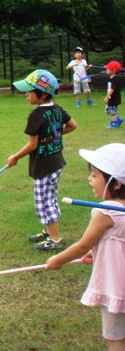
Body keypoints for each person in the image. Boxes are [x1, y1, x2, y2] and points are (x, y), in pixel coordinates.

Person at [45, 143, 125, 351]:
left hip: (116, 286)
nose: (90, 179)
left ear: (115, 184)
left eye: (95, 175)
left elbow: (82, 245)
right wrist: (97, 251)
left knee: (115, 338)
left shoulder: (107, 213)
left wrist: (58, 260)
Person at [7, 69, 77, 250]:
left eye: (30, 91)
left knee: (44, 203)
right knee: (50, 198)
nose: (26, 95)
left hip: (45, 166)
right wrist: (54, 136)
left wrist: (15, 157)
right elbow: (72, 125)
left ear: (43, 94)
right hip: (57, 162)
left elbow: (33, 145)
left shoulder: (36, 115)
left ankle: (55, 239)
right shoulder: (57, 109)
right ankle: (49, 230)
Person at [104, 61, 123, 129]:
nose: (106, 69)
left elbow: (112, 89)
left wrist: (107, 97)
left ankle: (114, 123)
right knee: (108, 110)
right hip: (111, 97)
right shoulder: (111, 79)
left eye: (108, 68)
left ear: (113, 71)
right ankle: (119, 119)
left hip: (114, 98)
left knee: (112, 111)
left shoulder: (114, 80)